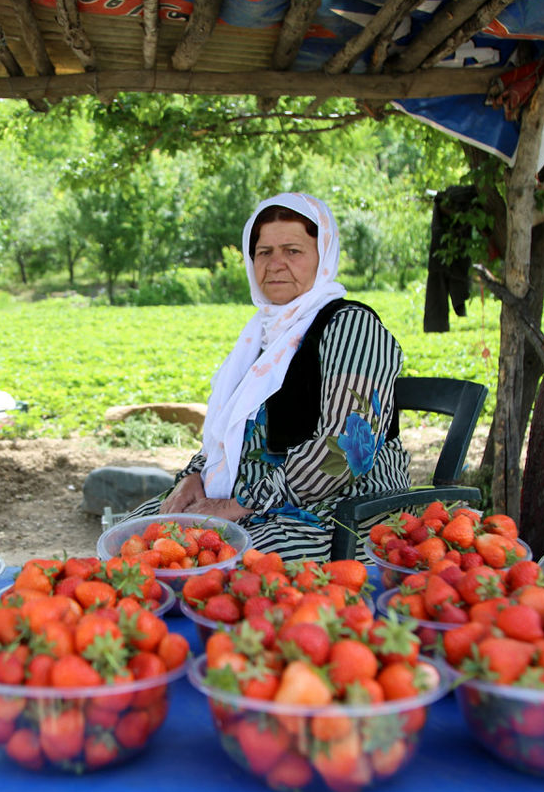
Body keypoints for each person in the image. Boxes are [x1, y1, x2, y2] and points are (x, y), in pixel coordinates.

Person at [123, 193, 410, 560]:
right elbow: (230, 431)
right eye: (263, 252)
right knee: (132, 538)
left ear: (324, 256)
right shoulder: (263, 337)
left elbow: (345, 451)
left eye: (293, 251)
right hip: (251, 501)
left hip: (337, 511)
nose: (275, 265)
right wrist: (193, 478)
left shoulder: (353, 327)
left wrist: (239, 504)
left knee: (211, 562)